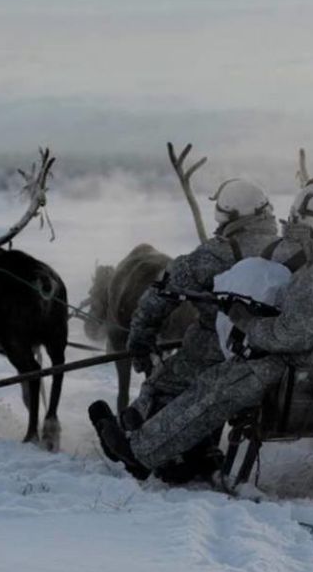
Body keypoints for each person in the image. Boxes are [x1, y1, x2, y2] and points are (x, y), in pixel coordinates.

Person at [91, 188, 313, 477]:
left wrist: (247, 324)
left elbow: (292, 335)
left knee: (217, 387)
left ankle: (140, 452)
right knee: (219, 378)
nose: (296, 229)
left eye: (302, 223)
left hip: (303, 365)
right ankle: (176, 448)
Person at [113, 178, 279, 477]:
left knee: (162, 382)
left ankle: (153, 449)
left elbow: (161, 295)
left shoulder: (215, 254)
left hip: (223, 351)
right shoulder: (289, 248)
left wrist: (140, 338)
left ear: (226, 215)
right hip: (277, 352)